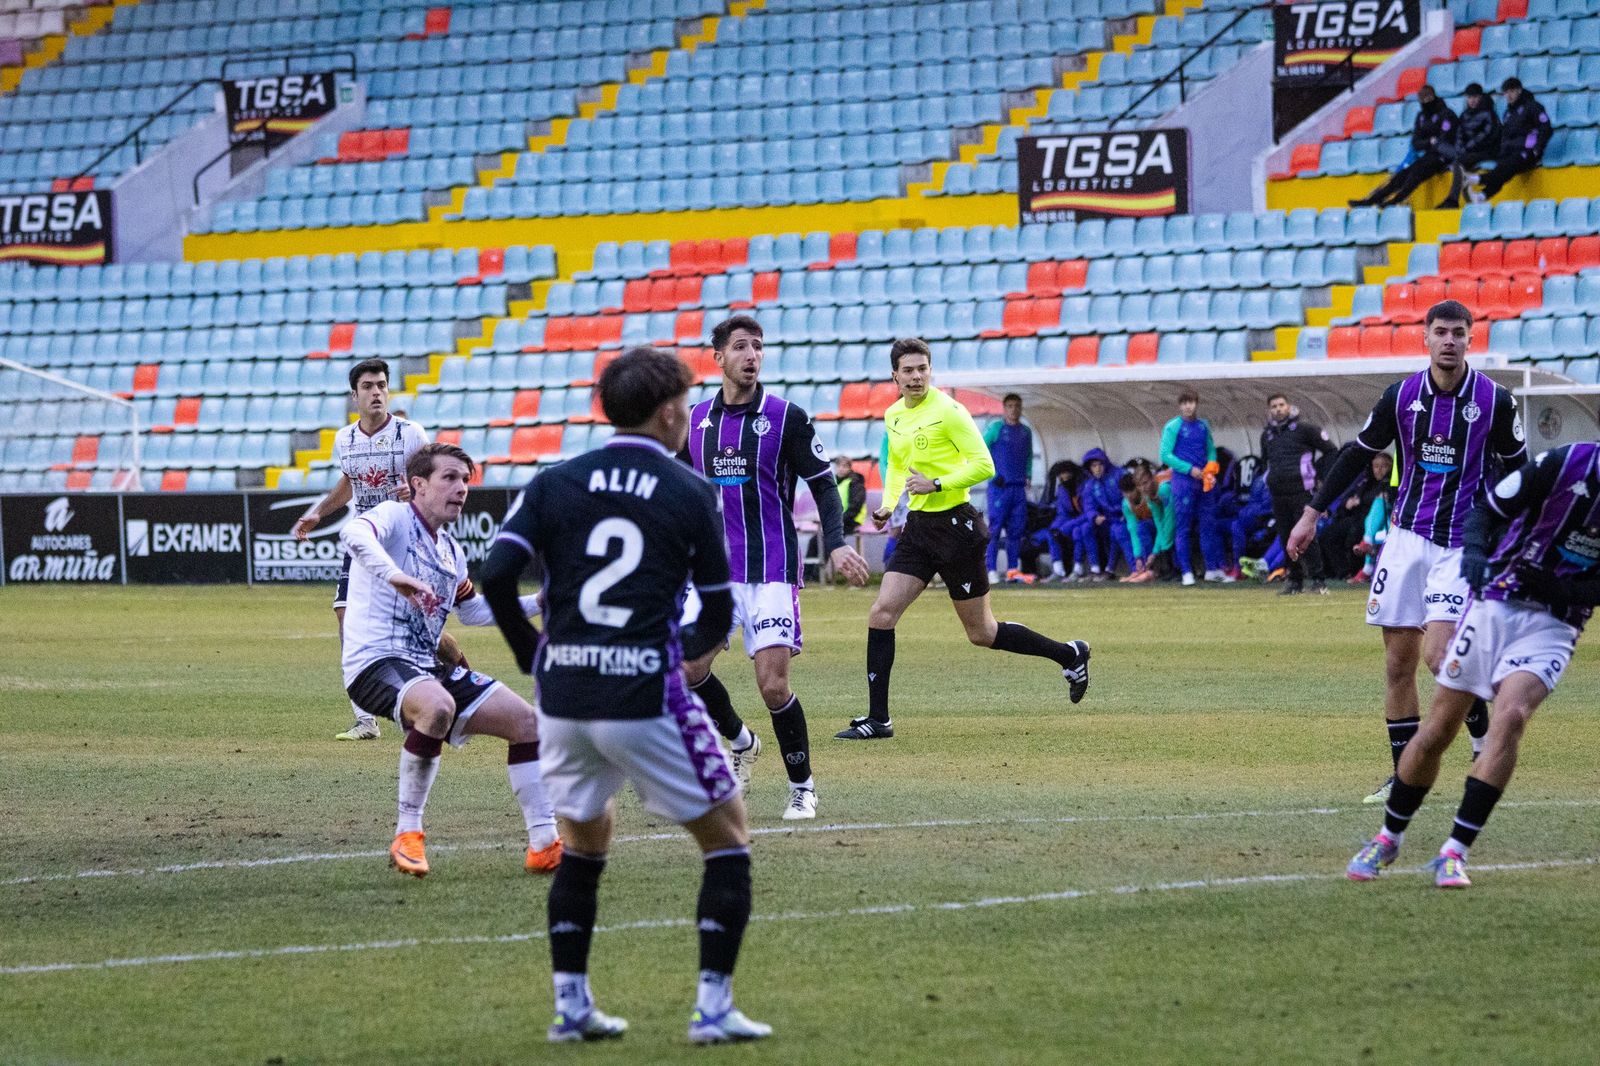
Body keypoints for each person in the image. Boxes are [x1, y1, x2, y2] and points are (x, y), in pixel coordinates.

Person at [480, 347, 770, 1044]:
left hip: (564, 700)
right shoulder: (688, 489)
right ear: (671, 410)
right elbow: (718, 607)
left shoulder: (554, 482)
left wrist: (533, 655)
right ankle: (711, 1009)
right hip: (643, 696)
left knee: (586, 842)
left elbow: (494, 576)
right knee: (729, 837)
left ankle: (572, 1008)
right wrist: (682, 651)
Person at [1287, 300, 1526, 803]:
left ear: (1470, 339)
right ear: (1425, 337)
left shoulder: (1496, 401)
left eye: (1458, 333)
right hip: (1406, 538)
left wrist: (1509, 533)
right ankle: (1405, 776)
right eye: (1440, 332)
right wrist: (1312, 513)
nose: (1449, 341)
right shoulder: (1402, 397)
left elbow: (1518, 470)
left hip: (1462, 543)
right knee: (1399, 663)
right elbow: (1358, 453)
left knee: (1441, 658)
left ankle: (1483, 740)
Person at [1347, 440, 1598, 888]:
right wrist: (1477, 555)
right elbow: (1487, 510)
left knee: (1513, 715)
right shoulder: (1568, 463)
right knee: (1440, 729)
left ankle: (1454, 851)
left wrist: (1558, 589)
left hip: (1555, 626)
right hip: (1496, 605)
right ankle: (1388, 837)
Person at [835, 338, 1090, 741]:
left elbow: (983, 465)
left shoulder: (950, 412)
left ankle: (1069, 653)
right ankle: (878, 718)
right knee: (881, 612)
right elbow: (900, 466)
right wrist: (888, 505)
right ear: (895, 376)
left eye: (923, 368)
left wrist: (936, 482)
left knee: (981, 634)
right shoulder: (894, 416)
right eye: (909, 370)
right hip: (919, 529)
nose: (916, 376)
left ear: (930, 370)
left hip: (957, 530)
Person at [679, 315, 870, 821]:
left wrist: (834, 544)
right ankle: (741, 742)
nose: (751, 355)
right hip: (714, 573)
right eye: (740, 347)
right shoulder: (695, 422)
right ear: (717, 357)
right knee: (687, 669)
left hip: (772, 568)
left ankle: (802, 787)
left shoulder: (786, 418)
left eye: (758, 347)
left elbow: (826, 487)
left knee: (773, 685)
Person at [338, 442, 559, 879]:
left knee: (527, 723)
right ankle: (408, 834)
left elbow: (473, 612)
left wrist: (540, 601)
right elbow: (353, 534)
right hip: (375, 660)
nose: (461, 489)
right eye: (450, 478)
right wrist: (394, 575)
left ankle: (544, 844)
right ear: (418, 485)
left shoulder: (450, 551)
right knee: (438, 706)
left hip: (425, 665)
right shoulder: (394, 517)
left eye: (465, 480)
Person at [294, 357, 430, 741]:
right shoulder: (345, 438)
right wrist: (318, 513)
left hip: (404, 537)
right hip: (364, 536)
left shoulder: (411, 433)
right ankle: (364, 718)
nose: (377, 392)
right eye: (368, 386)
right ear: (354, 395)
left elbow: (435, 476)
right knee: (344, 614)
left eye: (382, 385)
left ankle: (445, 687)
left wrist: (415, 489)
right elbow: (350, 483)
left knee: (417, 624)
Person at [1261, 394, 1336, 595]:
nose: (1278, 409)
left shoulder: (1305, 430)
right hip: (1278, 494)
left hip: (1302, 492)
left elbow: (1331, 451)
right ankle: (1294, 581)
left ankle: (1319, 581)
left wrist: (1319, 475)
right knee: (1286, 537)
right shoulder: (1267, 435)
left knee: (1306, 537)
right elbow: (1264, 462)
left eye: (1281, 405)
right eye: (1274, 406)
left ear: (1289, 406)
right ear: (1270, 410)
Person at [1349, 84, 1457, 208]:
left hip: (1443, 157)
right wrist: (1429, 142)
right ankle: (1371, 200)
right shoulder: (1421, 116)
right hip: (1428, 155)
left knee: (1416, 171)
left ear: (1433, 97)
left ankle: (1395, 200)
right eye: (1422, 101)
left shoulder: (1446, 114)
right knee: (1401, 175)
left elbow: (1443, 141)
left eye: (1428, 100)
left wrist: (1429, 143)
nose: (1425, 103)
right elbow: (1416, 143)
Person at [1161, 390, 1227, 585]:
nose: (1188, 406)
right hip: (1183, 483)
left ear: (1196, 404)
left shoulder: (1203, 425)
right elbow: (1165, 455)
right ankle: (1186, 572)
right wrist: (1189, 470)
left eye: (1191, 402)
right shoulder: (1173, 426)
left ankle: (1212, 569)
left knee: (1209, 525)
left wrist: (1210, 469)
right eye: (1184, 403)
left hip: (1203, 483)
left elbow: (1211, 450)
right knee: (1183, 528)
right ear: (1179, 406)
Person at [1475, 77, 1553, 203]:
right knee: (1504, 169)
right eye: (1506, 92)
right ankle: (1482, 195)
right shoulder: (1508, 113)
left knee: (1508, 166)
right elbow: (1505, 136)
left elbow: (1546, 128)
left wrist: (1537, 148)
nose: (1508, 95)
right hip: (1510, 152)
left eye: (1511, 91)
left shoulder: (1533, 107)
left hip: (1528, 151)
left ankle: (1481, 179)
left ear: (1519, 91)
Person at [984, 393, 1032, 584]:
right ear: (1004, 409)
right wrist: (992, 475)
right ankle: (992, 570)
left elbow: (1028, 456)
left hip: (1018, 488)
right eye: (1010, 406)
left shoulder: (1026, 432)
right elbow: (980, 449)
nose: (1014, 410)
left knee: (1016, 531)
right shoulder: (996, 428)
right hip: (999, 488)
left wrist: (1028, 475)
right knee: (994, 530)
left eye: (1017, 406)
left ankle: (1012, 570)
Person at [1436, 82, 1501, 209]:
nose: (1472, 100)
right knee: (1441, 148)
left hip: (1486, 151)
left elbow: (1486, 136)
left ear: (1481, 97)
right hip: (1468, 152)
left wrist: (1467, 148)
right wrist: (1461, 147)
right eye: (1470, 97)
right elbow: (1459, 134)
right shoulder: (1465, 114)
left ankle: (1452, 200)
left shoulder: (1489, 114)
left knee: (1457, 161)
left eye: (1475, 97)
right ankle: (1459, 198)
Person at [833, 454, 868, 535]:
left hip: (853, 520)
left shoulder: (855, 482)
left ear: (849, 468)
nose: (841, 469)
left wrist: (839, 519)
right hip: (842, 519)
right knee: (817, 539)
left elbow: (855, 507)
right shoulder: (837, 483)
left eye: (844, 466)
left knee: (825, 539)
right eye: (838, 466)